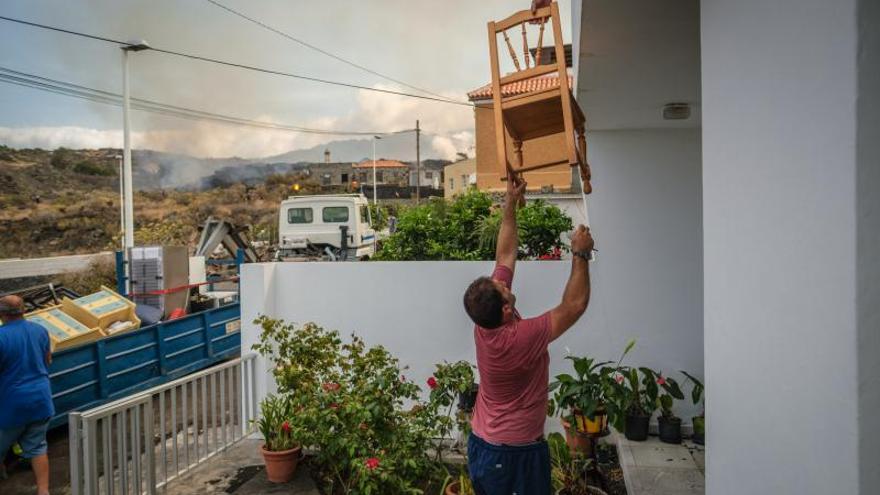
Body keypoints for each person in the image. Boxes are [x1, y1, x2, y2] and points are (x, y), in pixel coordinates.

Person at [462, 171, 594, 495]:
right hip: (510, 456)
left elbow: (505, 254)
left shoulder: (486, 319)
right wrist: (580, 253)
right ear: (506, 309)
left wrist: (509, 205)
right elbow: (574, 305)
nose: (504, 281)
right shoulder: (516, 340)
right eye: (503, 288)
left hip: (487, 445)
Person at [0, 295, 53, 495]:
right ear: (24, 310)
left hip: (11, 403)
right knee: (38, 447)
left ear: (2, 314)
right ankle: (43, 490)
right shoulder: (40, 330)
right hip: (41, 399)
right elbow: (48, 360)